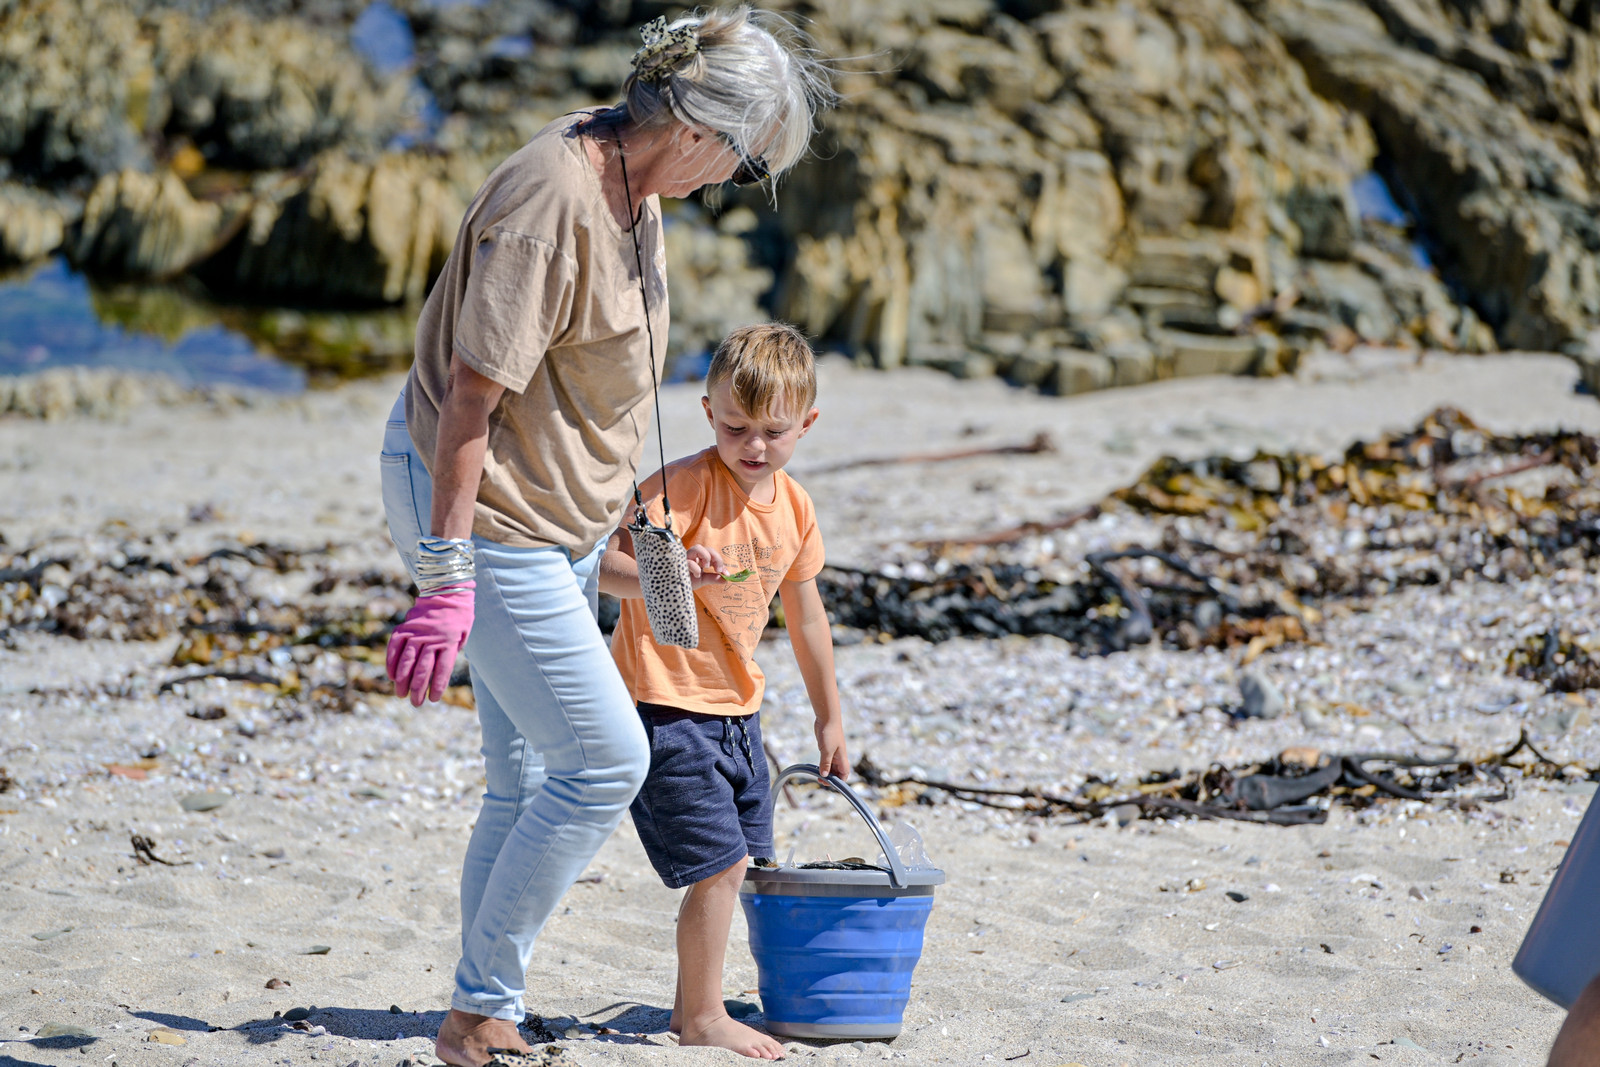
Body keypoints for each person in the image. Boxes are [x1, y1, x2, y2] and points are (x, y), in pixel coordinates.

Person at [377, 10, 834, 1066]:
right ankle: (474, 1011)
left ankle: (486, 1004)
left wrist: (646, 563)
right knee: (604, 760)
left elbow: (595, 393)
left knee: (522, 781)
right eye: (745, 159)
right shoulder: (552, 202)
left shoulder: (637, 182)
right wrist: (446, 576)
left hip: (562, 518)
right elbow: (468, 402)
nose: (734, 181)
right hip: (489, 510)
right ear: (696, 129)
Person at [599, 323, 849, 1060]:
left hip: (741, 713)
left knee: (741, 861)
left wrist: (830, 717)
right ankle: (703, 1016)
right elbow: (602, 563)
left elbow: (806, 617)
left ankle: (698, 1003)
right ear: (708, 412)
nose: (754, 445)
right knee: (719, 865)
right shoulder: (680, 488)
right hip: (665, 705)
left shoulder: (795, 507)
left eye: (774, 430)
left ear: (806, 424)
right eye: (735, 427)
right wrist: (670, 567)